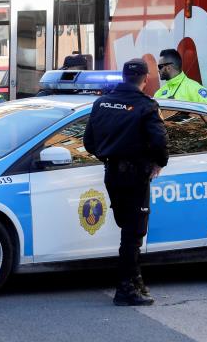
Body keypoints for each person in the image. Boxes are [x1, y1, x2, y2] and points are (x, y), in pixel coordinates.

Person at [84, 58, 168, 306]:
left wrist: (109, 156)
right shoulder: (146, 106)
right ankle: (125, 290)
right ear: (145, 79)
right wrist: (158, 163)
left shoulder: (101, 103)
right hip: (135, 175)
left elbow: (89, 142)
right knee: (133, 233)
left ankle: (136, 281)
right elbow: (160, 142)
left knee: (127, 229)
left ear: (123, 76)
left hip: (112, 173)